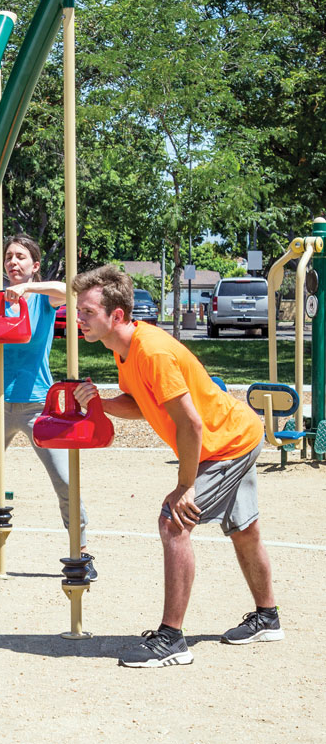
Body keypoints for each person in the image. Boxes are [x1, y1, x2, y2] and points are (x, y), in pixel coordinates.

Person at [71, 265, 283, 668]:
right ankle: (267, 618)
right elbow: (141, 403)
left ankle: (171, 639)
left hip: (226, 443)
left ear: (117, 315)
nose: (79, 318)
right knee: (244, 530)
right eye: (79, 311)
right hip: (236, 433)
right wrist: (98, 402)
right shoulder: (124, 349)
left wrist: (185, 485)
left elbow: (190, 424)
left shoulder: (152, 352)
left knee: (174, 520)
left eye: (87, 312)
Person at [0, 233, 95, 577]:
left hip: (37, 405)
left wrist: (29, 289)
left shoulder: (41, 300)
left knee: (65, 481)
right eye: (8, 257)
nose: (13, 262)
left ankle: (82, 552)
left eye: (21, 257)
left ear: (34, 265)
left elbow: (68, 290)